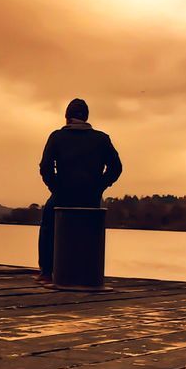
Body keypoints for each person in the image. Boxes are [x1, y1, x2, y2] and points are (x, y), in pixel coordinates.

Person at [37, 98, 122, 283]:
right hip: (90, 197)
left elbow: (45, 167)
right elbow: (116, 168)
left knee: (48, 226)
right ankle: (86, 271)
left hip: (62, 195)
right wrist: (100, 185)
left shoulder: (57, 137)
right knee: (90, 230)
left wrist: (55, 187)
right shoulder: (101, 139)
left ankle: (46, 272)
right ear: (86, 118)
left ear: (67, 117)